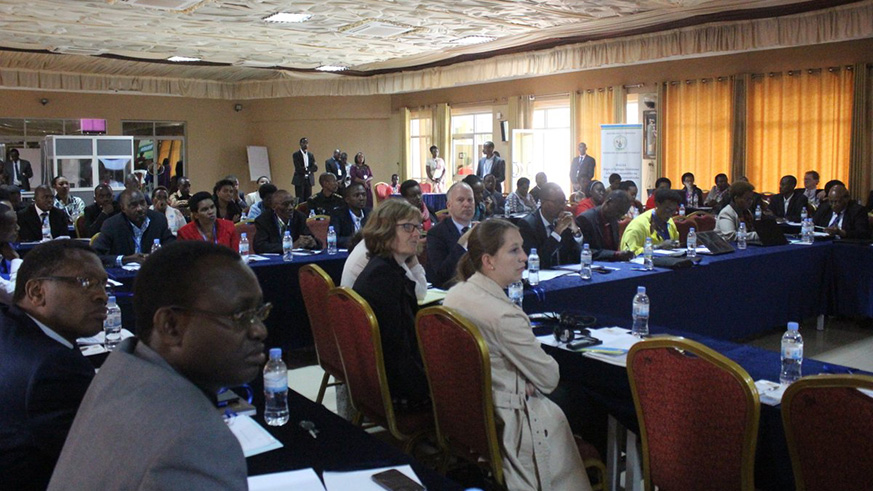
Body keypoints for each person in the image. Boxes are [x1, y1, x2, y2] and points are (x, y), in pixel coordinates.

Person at [49, 241, 268, 490]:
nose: (259, 330)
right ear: (170, 326)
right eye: (241, 316)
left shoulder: (123, 366)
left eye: (259, 312)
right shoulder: (195, 440)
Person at [443, 219, 593, 491]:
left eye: (522, 248)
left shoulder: (454, 296)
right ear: (488, 261)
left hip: (468, 412)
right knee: (587, 399)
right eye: (514, 250)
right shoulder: (504, 316)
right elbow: (549, 378)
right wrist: (525, 377)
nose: (524, 257)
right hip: (509, 418)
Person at [0, 240, 107, 490]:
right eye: (86, 282)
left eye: (103, 283)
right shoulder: (56, 368)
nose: (102, 295)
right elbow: (100, 462)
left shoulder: (9, 325)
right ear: (37, 292)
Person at [352, 199, 429, 409]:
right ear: (384, 230)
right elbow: (400, 349)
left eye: (418, 227)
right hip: (395, 388)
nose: (417, 234)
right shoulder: (384, 278)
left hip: (384, 377)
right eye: (408, 227)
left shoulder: (384, 267)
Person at [93, 189, 175, 267]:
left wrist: (157, 256)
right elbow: (96, 255)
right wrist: (127, 259)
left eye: (142, 203)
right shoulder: (111, 225)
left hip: (152, 271)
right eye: (133, 205)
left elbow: (172, 246)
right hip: (122, 274)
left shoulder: (158, 219)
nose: (140, 208)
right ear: (123, 208)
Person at [518, 182, 583, 269]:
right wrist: (557, 232)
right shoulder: (527, 225)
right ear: (543, 202)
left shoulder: (564, 221)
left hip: (565, 273)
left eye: (564, 202)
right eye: (557, 202)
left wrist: (576, 231)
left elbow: (579, 255)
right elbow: (535, 261)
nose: (562, 206)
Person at [427, 182, 476, 289]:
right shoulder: (436, 233)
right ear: (449, 205)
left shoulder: (481, 230)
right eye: (460, 200)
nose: (467, 204)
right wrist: (462, 244)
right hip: (451, 290)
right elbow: (442, 275)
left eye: (470, 200)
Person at [253, 190, 320, 253]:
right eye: (285, 204)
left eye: (292, 203)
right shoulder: (264, 220)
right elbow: (260, 246)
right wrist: (290, 246)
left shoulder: (299, 217)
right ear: (273, 207)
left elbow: (314, 241)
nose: (291, 207)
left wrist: (313, 243)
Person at [576, 191, 635, 261]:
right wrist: (615, 254)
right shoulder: (585, 219)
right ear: (608, 202)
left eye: (622, 214)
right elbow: (583, 250)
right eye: (618, 212)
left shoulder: (613, 219)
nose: (619, 217)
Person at [620, 188, 681, 255]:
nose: (670, 214)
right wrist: (658, 247)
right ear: (657, 204)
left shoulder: (670, 222)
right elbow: (629, 252)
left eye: (673, 211)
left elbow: (675, 244)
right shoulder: (638, 226)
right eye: (667, 209)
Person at [330, 182, 371, 248]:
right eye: (357, 195)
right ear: (347, 200)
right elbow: (334, 239)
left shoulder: (370, 213)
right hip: (347, 250)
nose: (361, 198)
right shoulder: (338, 214)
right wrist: (357, 240)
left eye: (364, 195)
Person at [0, 204, 21, 304]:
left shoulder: (6, 250)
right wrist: (15, 259)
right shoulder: (11, 255)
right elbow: (16, 295)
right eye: (13, 224)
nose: (18, 228)